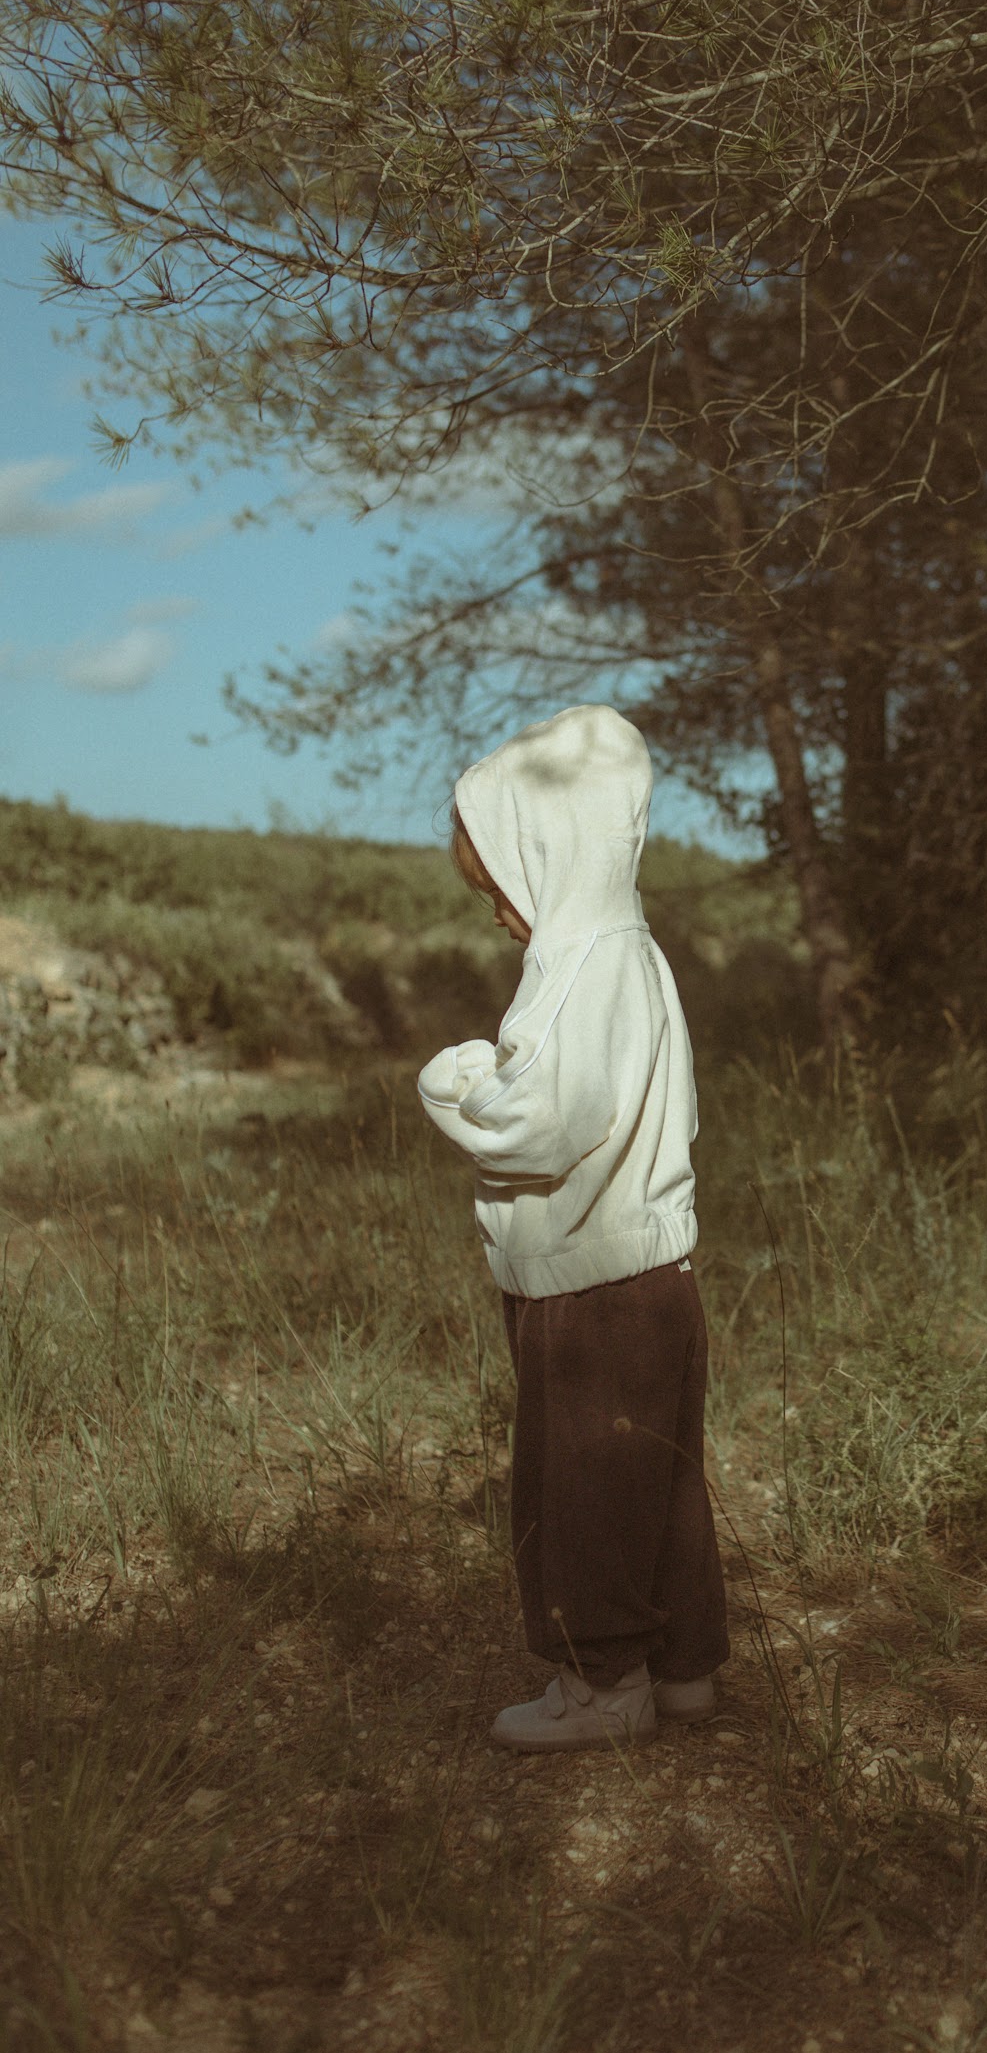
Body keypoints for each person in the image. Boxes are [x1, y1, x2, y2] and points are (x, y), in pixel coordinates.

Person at [418, 704, 729, 1752]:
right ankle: (681, 1670)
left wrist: (456, 1080)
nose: (497, 916)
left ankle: (601, 1686)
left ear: (545, 849)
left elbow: (540, 1127)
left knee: (583, 1489)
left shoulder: (582, 967)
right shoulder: (627, 953)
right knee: (658, 1483)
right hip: (651, 1275)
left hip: (591, 1288)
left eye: (498, 886)